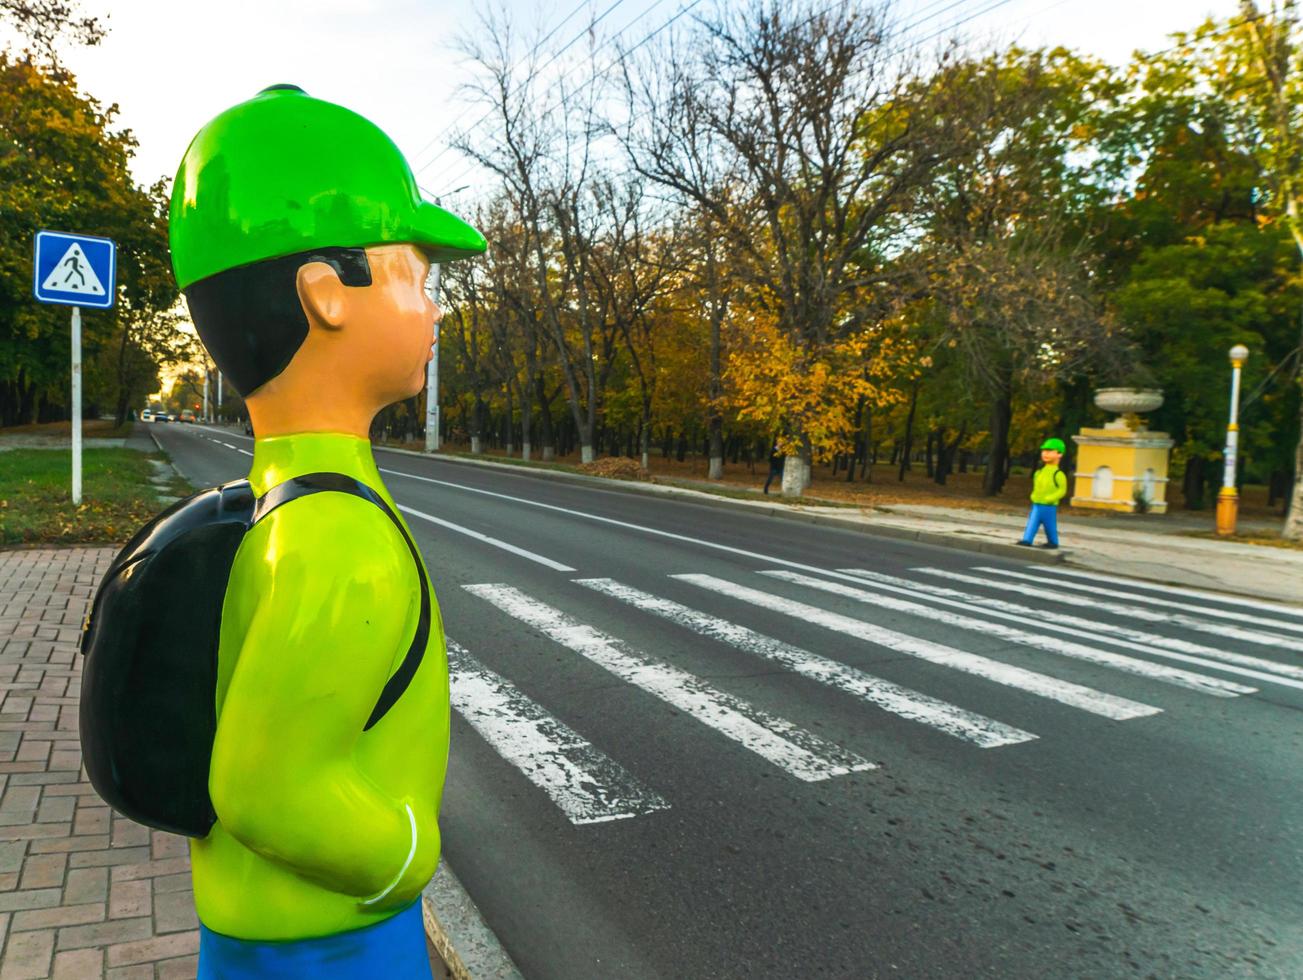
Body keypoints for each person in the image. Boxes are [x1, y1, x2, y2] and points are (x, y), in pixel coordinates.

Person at [169, 85, 484, 977]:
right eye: (414, 276)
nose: (431, 308)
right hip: (330, 943)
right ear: (325, 294)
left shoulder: (274, 501)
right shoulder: (340, 538)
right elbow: (266, 791)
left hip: (253, 924)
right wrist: (405, 857)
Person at [1017, 437, 1069, 549]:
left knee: (1049, 524)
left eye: (1050, 451)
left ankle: (1053, 542)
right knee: (1033, 521)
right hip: (1037, 503)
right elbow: (1037, 486)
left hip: (1049, 505)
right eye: (1044, 451)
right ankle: (1027, 539)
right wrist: (1033, 495)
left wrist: (1051, 498)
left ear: (1059, 454)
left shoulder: (1058, 474)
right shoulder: (1039, 472)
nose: (1045, 453)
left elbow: (1062, 490)